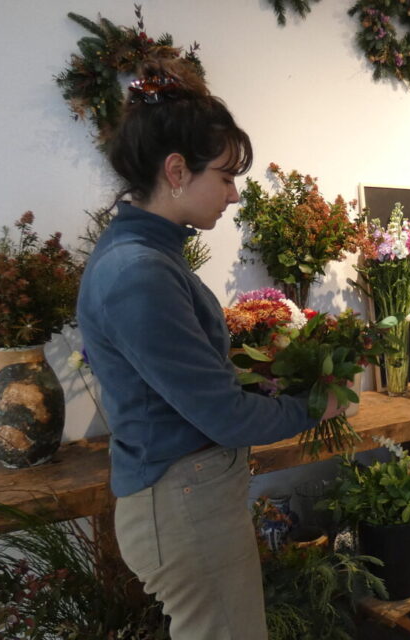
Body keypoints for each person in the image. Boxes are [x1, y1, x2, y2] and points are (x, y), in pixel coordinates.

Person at [76, 60, 345, 639]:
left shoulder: (150, 254)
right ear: (176, 171)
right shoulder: (138, 272)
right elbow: (222, 414)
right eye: (223, 176)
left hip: (187, 494)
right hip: (180, 502)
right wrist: (313, 407)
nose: (233, 192)